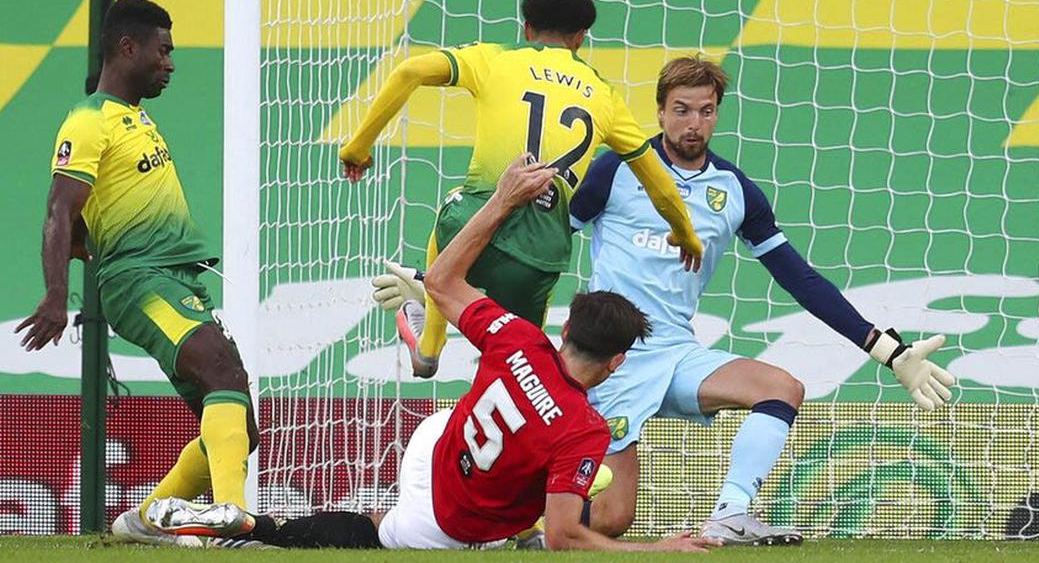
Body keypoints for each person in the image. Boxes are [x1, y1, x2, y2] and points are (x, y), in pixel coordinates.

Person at [149, 157, 719, 552]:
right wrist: (658, 548)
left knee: (480, 463)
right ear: (617, 362)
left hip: (436, 439)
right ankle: (257, 532)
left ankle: (425, 343)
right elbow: (567, 536)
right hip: (448, 517)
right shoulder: (583, 429)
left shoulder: (519, 337)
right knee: (377, 533)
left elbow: (444, 278)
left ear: (565, 327)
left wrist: (502, 199)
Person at [567, 56, 958, 544]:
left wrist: (887, 350)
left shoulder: (735, 190)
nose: (693, 124)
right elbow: (550, 241)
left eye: (706, 111)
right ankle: (514, 524)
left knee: (781, 388)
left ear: (717, 112)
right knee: (608, 520)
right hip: (610, 358)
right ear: (661, 111)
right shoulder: (616, 170)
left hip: (675, 352)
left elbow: (800, 279)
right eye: (682, 110)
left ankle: (730, 515)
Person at [340, 0, 702, 379]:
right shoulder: (604, 95)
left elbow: (409, 71)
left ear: (527, 28)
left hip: (472, 229)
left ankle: (430, 344)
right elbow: (658, 183)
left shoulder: (494, 58)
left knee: (455, 204)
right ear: (581, 38)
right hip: (538, 254)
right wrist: (685, 234)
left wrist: (357, 149)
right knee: (519, 364)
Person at [16, 0, 258, 544]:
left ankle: (143, 523)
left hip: (175, 279)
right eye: (163, 50)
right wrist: (56, 295)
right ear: (128, 47)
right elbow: (59, 209)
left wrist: (86, 244)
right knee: (222, 373)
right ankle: (234, 525)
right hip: (141, 281)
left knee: (240, 424)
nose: (170, 63)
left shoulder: (136, 118)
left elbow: (85, 219)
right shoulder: (88, 120)